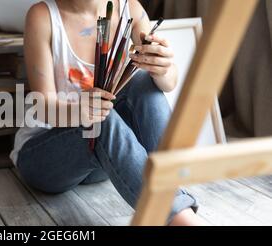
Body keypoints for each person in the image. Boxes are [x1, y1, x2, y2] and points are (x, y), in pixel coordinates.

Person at [10, 0, 205, 226]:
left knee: (143, 81)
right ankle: (177, 218)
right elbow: (43, 107)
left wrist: (164, 68)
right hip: (45, 158)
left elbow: (168, 83)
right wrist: (80, 111)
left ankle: (172, 192)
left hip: (101, 162)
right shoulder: (42, 16)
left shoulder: (129, 8)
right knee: (99, 120)